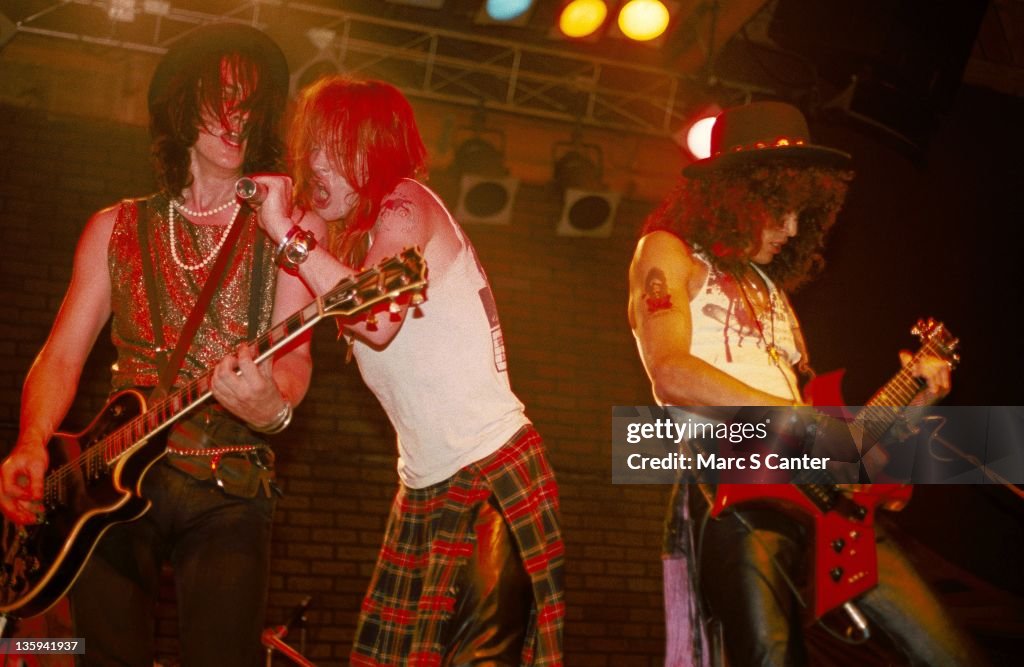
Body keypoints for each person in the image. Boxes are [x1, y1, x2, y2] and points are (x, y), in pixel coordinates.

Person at [628, 101, 986, 666]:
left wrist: (919, 399)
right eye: (779, 213)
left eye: (801, 215)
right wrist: (796, 423)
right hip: (737, 484)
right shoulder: (668, 252)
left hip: (823, 499)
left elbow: (849, 446)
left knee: (953, 654)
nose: (792, 230)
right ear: (736, 198)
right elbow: (671, 373)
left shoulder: (776, 297)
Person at [0, 23, 314, 666]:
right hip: (108, 483)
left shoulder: (288, 230)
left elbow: (296, 356)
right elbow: (61, 355)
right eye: (220, 95)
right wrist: (31, 441)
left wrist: (272, 408)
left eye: (251, 101)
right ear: (180, 104)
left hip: (229, 478)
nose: (237, 114)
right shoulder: (114, 228)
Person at [247, 75, 564, 666]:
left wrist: (286, 234)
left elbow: (375, 320)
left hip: (490, 469)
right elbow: (282, 341)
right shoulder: (329, 237)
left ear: (373, 148)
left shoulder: (405, 202)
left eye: (331, 145)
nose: (314, 162)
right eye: (309, 144)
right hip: (422, 484)